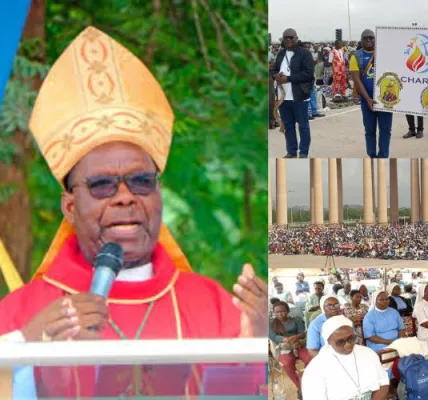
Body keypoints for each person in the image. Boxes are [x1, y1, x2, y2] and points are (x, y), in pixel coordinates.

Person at [0, 27, 267, 398]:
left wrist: (261, 344)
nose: (125, 197)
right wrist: (25, 345)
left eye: (141, 181)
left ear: (157, 193)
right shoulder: (22, 313)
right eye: (102, 185)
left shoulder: (214, 306)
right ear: (70, 206)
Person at [301, 315, 390, 399]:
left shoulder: (368, 353)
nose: (348, 344)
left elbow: (384, 382)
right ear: (328, 341)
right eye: (340, 342)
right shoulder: (316, 368)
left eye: (351, 338)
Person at [271, 28, 315, 158]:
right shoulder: (281, 54)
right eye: (286, 38)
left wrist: (288, 78)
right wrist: (275, 75)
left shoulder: (305, 54)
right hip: (283, 98)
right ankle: (291, 151)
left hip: (299, 96)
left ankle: (303, 152)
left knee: (303, 126)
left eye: (291, 37)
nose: (288, 39)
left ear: (296, 38)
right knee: (288, 126)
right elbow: (274, 70)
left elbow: (308, 74)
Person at [350, 29, 393, 158]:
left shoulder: (384, 54)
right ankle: (372, 156)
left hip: (385, 100)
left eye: (371, 38)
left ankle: (383, 157)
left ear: (375, 39)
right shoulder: (356, 56)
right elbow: (357, 80)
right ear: (361, 40)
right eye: (365, 38)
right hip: (366, 100)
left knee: (385, 131)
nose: (369, 40)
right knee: (369, 130)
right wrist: (368, 99)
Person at [269, 302, 310, 394]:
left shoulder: (297, 320)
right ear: (274, 313)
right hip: (284, 348)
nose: (280, 314)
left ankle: (306, 380)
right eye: (277, 312)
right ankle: (300, 388)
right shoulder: (271, 323)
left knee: (309, 359)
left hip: (299, 344)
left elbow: (302, 333)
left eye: (283, 311)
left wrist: (296, 339)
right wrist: (286, 339)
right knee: (287, 363)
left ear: (288, 311)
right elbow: (273, 336)